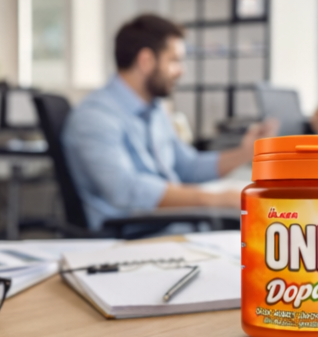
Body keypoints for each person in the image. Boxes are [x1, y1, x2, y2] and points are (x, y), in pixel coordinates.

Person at [62, 13, 277, 231]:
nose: (181, 71)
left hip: (173, 224)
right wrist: (215, 199)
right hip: (136, 236)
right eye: (174, 60)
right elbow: (125, 190)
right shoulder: (94, 116)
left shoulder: (154, 110)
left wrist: (246, 153)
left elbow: (188, 166)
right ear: (146, 61)